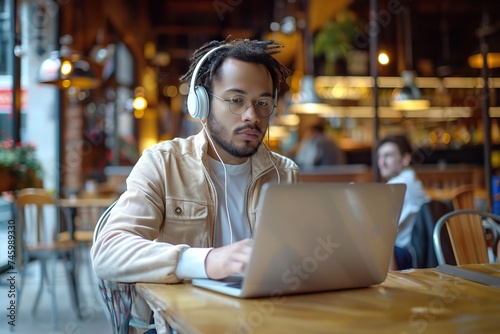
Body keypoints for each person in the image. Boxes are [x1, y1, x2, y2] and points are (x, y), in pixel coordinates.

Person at [91, 39, 300, 333]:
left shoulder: (284, 173)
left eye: (262, 103)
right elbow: (109, 252)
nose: (252, 116)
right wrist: (205, 261)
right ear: (200, 103)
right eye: (236, 100)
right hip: (180, 325)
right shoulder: (163, 163)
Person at [376, 134, 429, 270]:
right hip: (417, 254)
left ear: (405, 159)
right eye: (379, 157)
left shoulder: (400, 184)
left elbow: (379, 229)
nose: (382, 162)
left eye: (388, 156)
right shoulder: (411, 179)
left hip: (406, 256)